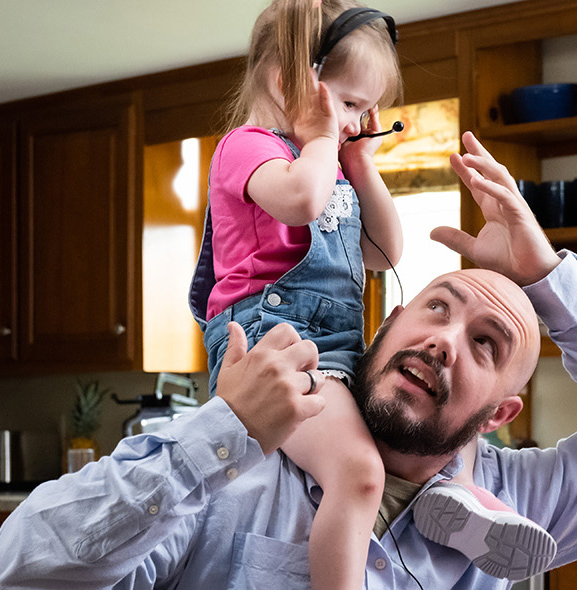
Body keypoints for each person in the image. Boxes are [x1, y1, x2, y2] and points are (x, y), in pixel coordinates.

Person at [0, 131, 577, 590]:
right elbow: (23, 568)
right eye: (437, 306)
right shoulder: (236, 462)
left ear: (500, 414)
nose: (445, 339)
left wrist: (546, 278)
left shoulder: (511, 506)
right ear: (386, 324)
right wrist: (218, 439)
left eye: (486, 343)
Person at [186, 0, 549, 587]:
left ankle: (453, 497)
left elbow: (383, 252)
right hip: (277, 348)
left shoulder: (326, 162)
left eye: (364, 108)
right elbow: (301, 202)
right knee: (358, 471)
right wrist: (324, 139)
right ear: (289, 85)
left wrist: (361, 163)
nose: (356, 121)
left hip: (335, 349)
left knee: (432, 430)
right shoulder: (249, 147)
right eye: (349, 103)